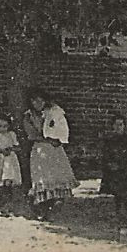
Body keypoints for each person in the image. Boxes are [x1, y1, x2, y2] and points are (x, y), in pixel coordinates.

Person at [27, 88, 77, 219]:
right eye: (34, 101)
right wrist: (49, 139)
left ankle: (54, 204)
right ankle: (42, 207)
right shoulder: (29, 116)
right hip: (40, 148)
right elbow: (31, 135)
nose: (37, 103)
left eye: (40, 100)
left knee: (56, 176)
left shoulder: (53, 113)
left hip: (54, 149)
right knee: (42, 178)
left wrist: (58, 139)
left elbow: (60, 129)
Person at [99, 114, 127, 234]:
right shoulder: (109, 141)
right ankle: (119, 218)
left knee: (126, 196)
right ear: (112, 127)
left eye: (121, 125)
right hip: (113, 173)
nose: (118, 127)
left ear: (124, 126)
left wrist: (120, 165)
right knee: (117, 197)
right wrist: (109, 165)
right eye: (116, 125)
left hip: (124, 172)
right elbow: (105, 155)